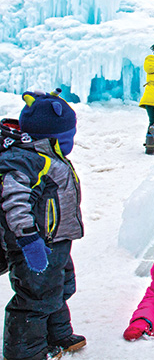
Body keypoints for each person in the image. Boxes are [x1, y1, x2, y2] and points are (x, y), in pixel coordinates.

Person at [0, 89, 86, 360]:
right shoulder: (28, 162)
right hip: (35, 245)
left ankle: (57, 334)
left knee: (60, 286)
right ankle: (24, 353)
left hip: (57, 240)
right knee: (35, 299)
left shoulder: (49, 154)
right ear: (55, 137)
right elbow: (15, 202)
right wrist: (29, 240)